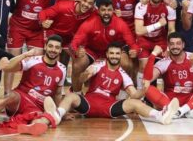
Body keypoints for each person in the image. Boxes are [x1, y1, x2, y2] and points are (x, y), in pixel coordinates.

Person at [43, 42, 179, 125]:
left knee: (135, 103)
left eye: (117, 54)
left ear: (120, 55)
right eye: (112, 53)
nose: (114, 56)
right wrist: (85, 75)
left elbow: (134, 94)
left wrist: (143, 90)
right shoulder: (99, 65)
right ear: (107, 54)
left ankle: (161, 116)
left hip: (109, 107)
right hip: (89, 104)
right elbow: (84, 77)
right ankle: (57, 115)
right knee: (71, 96)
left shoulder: (123, 74)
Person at [0, 35, 67, 136]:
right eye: (50, 46)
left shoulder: (62, 69)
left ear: (60, 50)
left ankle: (31, 127)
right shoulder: (33, 60)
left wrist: (56, 112)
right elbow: (8, 68)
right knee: (10, 96)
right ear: (45, 46)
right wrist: (23, 55)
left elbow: (57, 93)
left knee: (41, 120)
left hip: (37, 107)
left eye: (57, 47)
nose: (53, 50)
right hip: (21, 98)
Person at [70, 0, 139, 92]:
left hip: (113, 52)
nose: (106, 13)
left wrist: (134, 51)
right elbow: (75, 42)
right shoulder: (89, 23)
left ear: (113, 11)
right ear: (98, 11)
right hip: (93, 51)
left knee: (127, 64)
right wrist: (76, 51)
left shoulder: (120, 24)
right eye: (103, 10)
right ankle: (76, 94)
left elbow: (132, 43)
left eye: (109, 10)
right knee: (77, 65)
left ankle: (122, 97)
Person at [143, 33, 193, 119]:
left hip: (191, 99)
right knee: (146, 88)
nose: (175, 46)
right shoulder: (164, 62)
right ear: (168, 46)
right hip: (170, 101)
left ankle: (180, 111)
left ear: (183, 45)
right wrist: (153, 55)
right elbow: (147, 80)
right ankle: (182, 111)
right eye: (172, 44)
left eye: (178, 43)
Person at [134, 0, 176, 89]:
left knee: (166, 66)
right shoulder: (141, 5)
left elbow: (171, 29)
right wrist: (158, 24)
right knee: (144, 65)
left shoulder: (169, 5)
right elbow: (139, 31)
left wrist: (168, 47)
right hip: (144, 39)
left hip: (160, 40)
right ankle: (141, 96)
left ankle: (167, 94)